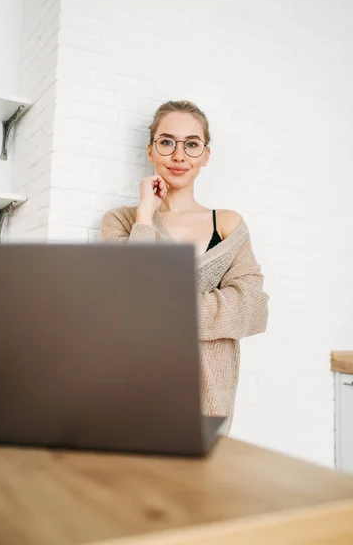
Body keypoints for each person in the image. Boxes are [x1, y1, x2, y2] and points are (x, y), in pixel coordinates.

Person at [101, 100, 269, 433]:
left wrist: (161, 308)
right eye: (167, 142)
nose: (179, 156)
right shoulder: (122, 221)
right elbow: (124, 298)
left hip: (208, 400)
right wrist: (145, 217)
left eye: (192, 144)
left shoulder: (228, 224)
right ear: (151, 150)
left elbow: (253, 310)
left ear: (206, 155)